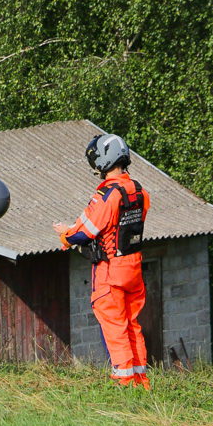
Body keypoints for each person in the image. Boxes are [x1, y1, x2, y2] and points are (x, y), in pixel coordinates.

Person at [53, 133, 151, 389]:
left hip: (110, 272)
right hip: (134, 267)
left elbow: (85, 230)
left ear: (103, 162)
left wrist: (65, 234)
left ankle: (124, 380)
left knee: (114, 325)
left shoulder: (107, 195)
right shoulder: (139, 192)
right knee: (132, 324)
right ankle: (141, 379)